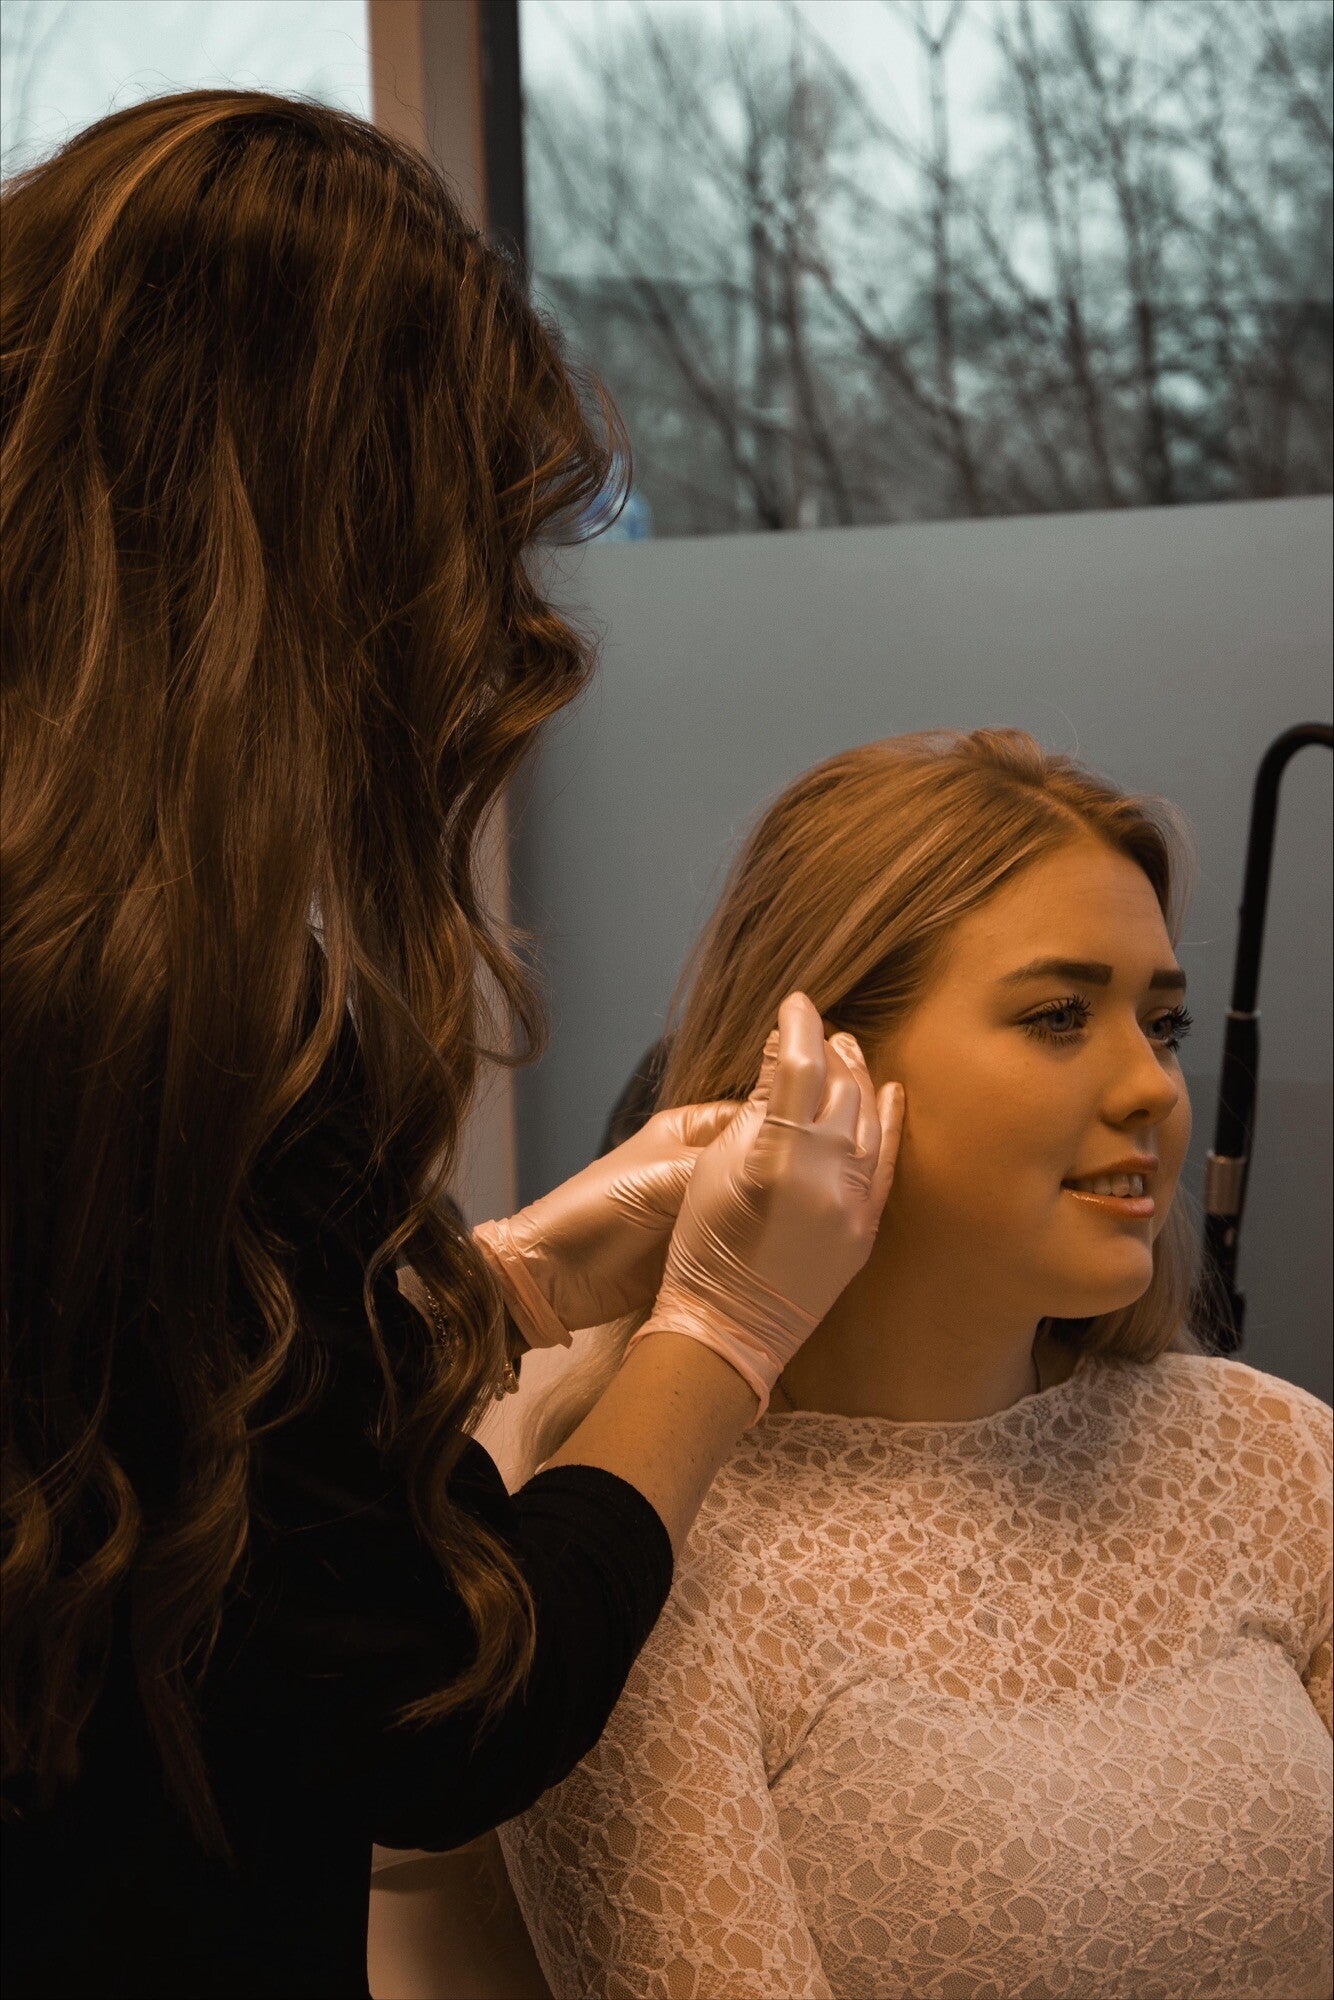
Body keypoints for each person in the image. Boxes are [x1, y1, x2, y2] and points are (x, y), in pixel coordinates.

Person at [0, 90, 904, 2000]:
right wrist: (716, 1338)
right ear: (338, 552)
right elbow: (426, 1702)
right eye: (470, 549)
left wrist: (485, 1292)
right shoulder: (184, 1031)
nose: (498, 630)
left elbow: (139, 1419)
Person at [496, 731, 1334, 2000]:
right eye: (1057, 1015)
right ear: (822, 1073)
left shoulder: (1276, 1459)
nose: (1152, 1088)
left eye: (1158, 1022)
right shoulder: (638, 1566)